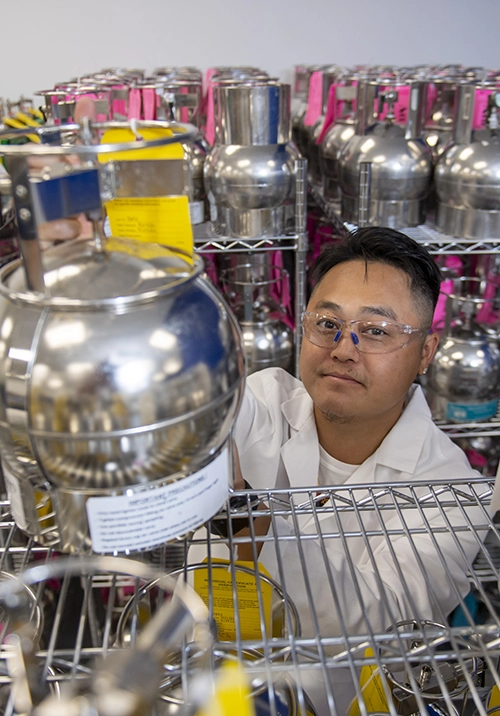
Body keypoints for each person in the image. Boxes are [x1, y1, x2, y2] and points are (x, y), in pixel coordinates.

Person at [231, 226, 491, 650]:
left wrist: (246, 520)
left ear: (425, 353)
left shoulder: (454, 492)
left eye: (375, 331)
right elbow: (210, 411)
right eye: (328, 323)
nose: (343, 349)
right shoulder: (266, 397)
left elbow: (376, 620)